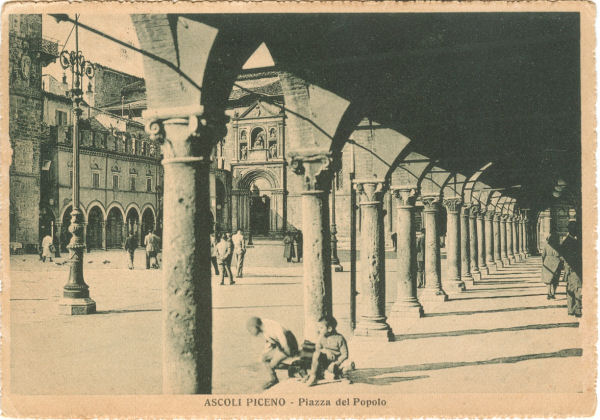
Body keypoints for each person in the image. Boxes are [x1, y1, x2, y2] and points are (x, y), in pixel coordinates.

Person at [247, 316, 299, 390]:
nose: (251, 332)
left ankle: (294, 368)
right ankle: (274, 379)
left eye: (251, 329)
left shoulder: (269, 327)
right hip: (281, 345)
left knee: (272, 365)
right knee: (264, 359)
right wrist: (263, 354)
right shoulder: (263, 326)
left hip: (289, 343)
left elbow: (282, 336)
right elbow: (270, 342)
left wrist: (287, 351)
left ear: (255, 326)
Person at [305, 316, 353, 386]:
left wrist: (337, 362)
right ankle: (313, 376)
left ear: (329, 329)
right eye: (318, 328)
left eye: (321, 328)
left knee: (346, 367)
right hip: (325, 361)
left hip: (335, 362)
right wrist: (326, 351)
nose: (319, 330)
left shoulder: (340, 338)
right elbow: (318, 348)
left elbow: (345, 354)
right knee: (316, 354)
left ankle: (340, 373)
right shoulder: (321, 336)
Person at [561, 221, 582, 317]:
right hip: (574, 270)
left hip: (570, 270)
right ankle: (577, 310)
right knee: (576, 290)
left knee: (570, 289)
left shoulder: (568, 241)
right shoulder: (571, 242)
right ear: (572, 230)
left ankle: (571, 309)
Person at [541, 231, 562, 299]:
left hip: (547, 262)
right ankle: (553, 293)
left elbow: (543, 255)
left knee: (548, 279)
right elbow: (561, 255)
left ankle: (548, 292)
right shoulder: (558, 246)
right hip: (556, 262)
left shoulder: (546, 245)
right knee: (555, 279)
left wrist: (543, 262)